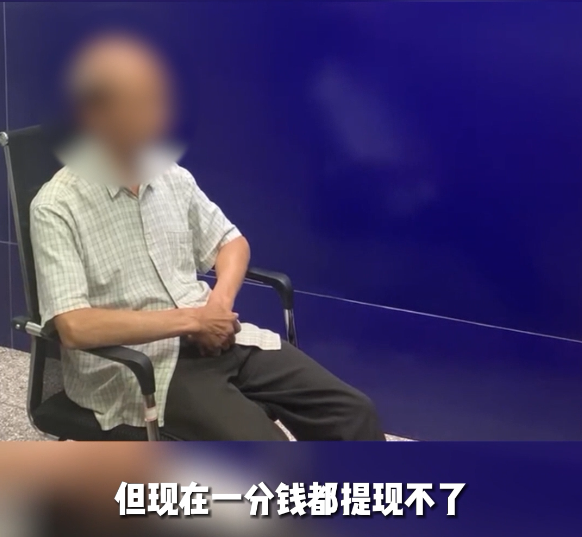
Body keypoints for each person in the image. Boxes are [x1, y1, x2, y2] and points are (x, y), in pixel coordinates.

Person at [30, 32, 385, 441]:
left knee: (352, 412)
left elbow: (231, 242)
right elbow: (75, 327)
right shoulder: (56, 207)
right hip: (139, 368)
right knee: (267, 449)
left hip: (214, 337)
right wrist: (192, 320)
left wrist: (217, 305)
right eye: (140, 104)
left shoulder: (171, 176)